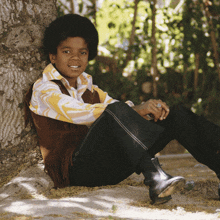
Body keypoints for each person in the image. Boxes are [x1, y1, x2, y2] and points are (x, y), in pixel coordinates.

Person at [25, 14, 220, 205]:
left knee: (174, 115)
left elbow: (120, 111)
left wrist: (147, 109)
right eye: (67, 51)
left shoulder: (90, 88)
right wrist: (135, 110)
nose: (75, 58)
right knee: (114, 111)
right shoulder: (44, 88)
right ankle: (155, 177)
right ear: (53, 56)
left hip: (109, 166)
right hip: (74, 171)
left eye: (82, 52)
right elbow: (79, 112)